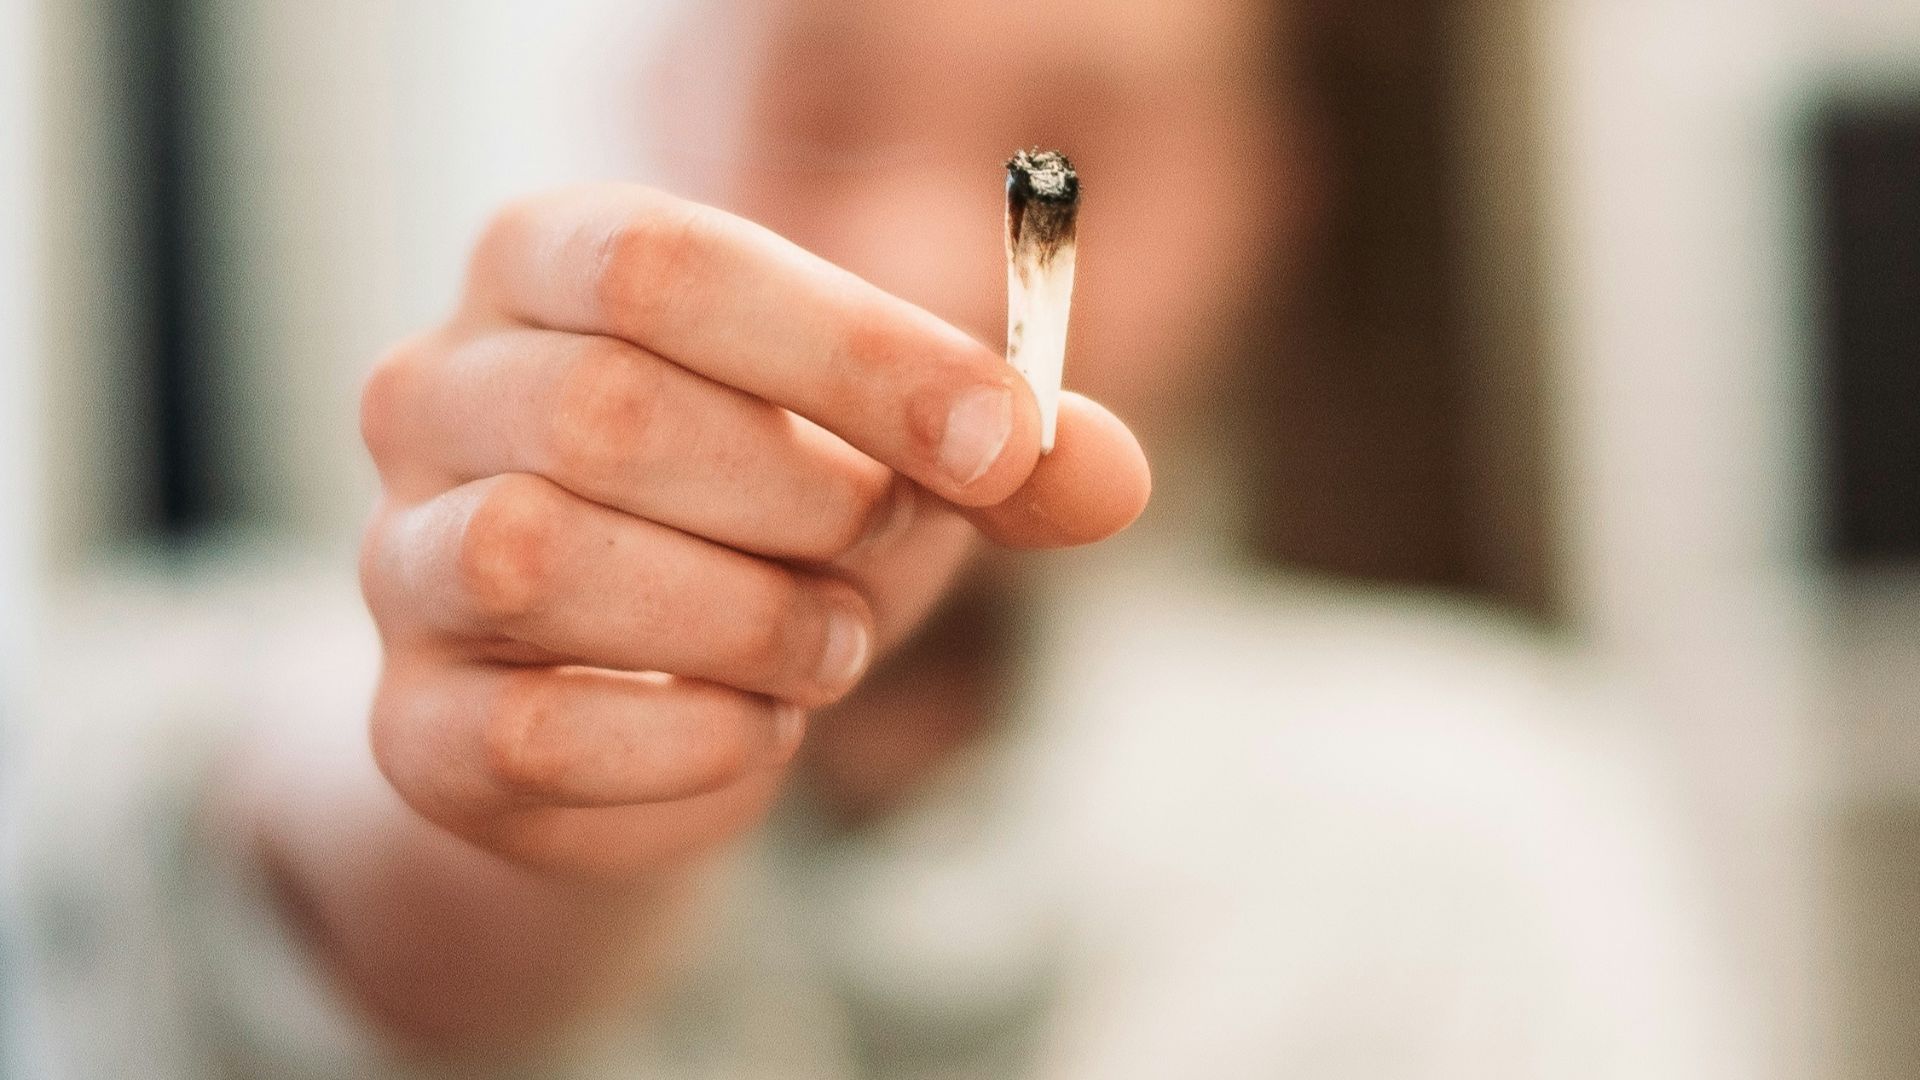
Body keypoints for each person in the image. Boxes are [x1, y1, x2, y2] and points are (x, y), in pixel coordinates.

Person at [7, 1, 1747, 1077]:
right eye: (820, 106)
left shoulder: (1468, 834)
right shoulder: (136, 704)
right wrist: (485, 805)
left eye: (1068, 148)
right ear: (663, 88)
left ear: (1268, 195)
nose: (920, 262)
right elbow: (272, 851)